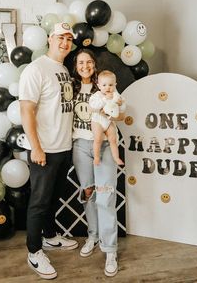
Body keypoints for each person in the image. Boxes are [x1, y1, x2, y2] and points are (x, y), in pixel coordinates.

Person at [19, 22, 78, 280]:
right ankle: (34, 252)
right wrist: (36, 147)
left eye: (69, 39)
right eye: (60, 38)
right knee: (39, 202)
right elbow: (26, 110)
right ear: (50, 39)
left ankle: (50, 237)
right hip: (45, 149)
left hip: (63, 147)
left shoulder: (63, 69)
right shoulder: (36, 69)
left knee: (54, 198)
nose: (64, 42)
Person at [72, 48, 125, 277]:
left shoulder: (105, 84)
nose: (85, 66)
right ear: (76, 66)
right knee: (89, 193)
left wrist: (113, 113)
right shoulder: (71, 88)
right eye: (81, 62)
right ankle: (92, 235)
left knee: (106, 196)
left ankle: (110, 249)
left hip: (103, 145)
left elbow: (122, 112)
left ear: (94, 64)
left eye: (89, 62)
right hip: (80, 146)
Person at [89, 70, 126, 165]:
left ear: (115, 85)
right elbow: (94, 106)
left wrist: (121, 104)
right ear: (99, 86)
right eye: (104, 85)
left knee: (113, 139)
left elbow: (122, 110)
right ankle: (96, 157)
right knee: (98, 138)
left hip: (109, 122)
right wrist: (105, 99)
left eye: (110, 85)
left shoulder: (116, 96)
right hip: (97, 120)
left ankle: (116, 157)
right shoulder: (97, 95)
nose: (108, 88)